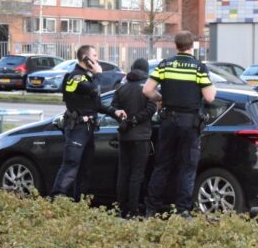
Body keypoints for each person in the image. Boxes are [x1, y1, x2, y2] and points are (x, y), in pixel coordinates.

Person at [143, 31, 216, 217]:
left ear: (175, 45)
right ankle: (183, 210)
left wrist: (161, 98)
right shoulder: (199, 68)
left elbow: (147, 90)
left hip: (168, 121)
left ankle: (152, 208)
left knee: (162, 165)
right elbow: (209, 97)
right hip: (189, 124)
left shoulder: (165, 65)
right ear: (193, 46)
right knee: (188, 167)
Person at [50, 45, 125, 201]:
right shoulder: (75, 77)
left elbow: (96, 104)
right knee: (71, 164)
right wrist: (98, 75)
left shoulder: (87, 76)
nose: (97, 59)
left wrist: (114, 111)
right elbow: (93, 90)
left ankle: (80, 203)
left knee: (85, 169)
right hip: (77, 128)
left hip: (88, 129)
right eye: (95, 55)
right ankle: (55, 200)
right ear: (86, 58)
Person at [111, 58, 157, 218]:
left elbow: (114, 108)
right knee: (137, 174)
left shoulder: (121, 87)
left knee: (123, 173)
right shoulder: (147, 88)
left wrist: (124, 120)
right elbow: (152, 108)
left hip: (124, 136)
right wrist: (136, 119)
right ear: (146, 71)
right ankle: (133, 209)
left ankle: (121, 209)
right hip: (142, 137)